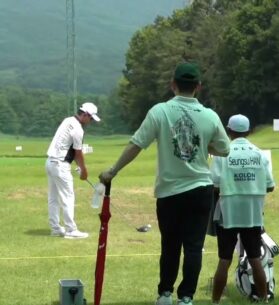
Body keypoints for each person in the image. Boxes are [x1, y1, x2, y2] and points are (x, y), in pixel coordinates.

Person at [99, 62, 230, 305]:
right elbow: (224, 149)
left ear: (173, 85)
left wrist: (113, 171)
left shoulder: (160, 111)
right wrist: (202, 145)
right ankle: (187, 297)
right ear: (198, 87)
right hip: (201, 190)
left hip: (170, 192)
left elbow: (136, 144)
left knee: (170, 246)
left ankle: (166, 294)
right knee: (193, 247)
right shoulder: (210, 115)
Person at [210, 114, 275, 304]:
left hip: (227, 214)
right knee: (255, 258)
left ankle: (215, 301)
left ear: (229, 131)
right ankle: (263, 299)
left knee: (224, 259)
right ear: (249, 131)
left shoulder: (223, 153)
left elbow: (213, 184)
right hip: (253, 214)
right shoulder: (259, 154)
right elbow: (270, 186)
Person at [46, 102, 100, 239]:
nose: (91, 121)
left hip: (50, 162)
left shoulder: (67, 120)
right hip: (60, 165)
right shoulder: (78, 130)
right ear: (85, 114)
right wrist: (84, 170)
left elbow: (70, 149)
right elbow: (78, 153)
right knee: (68, 197)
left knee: (53, 198)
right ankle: (71, 230)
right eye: (91, 118)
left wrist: (77, 165)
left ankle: (56, 229)